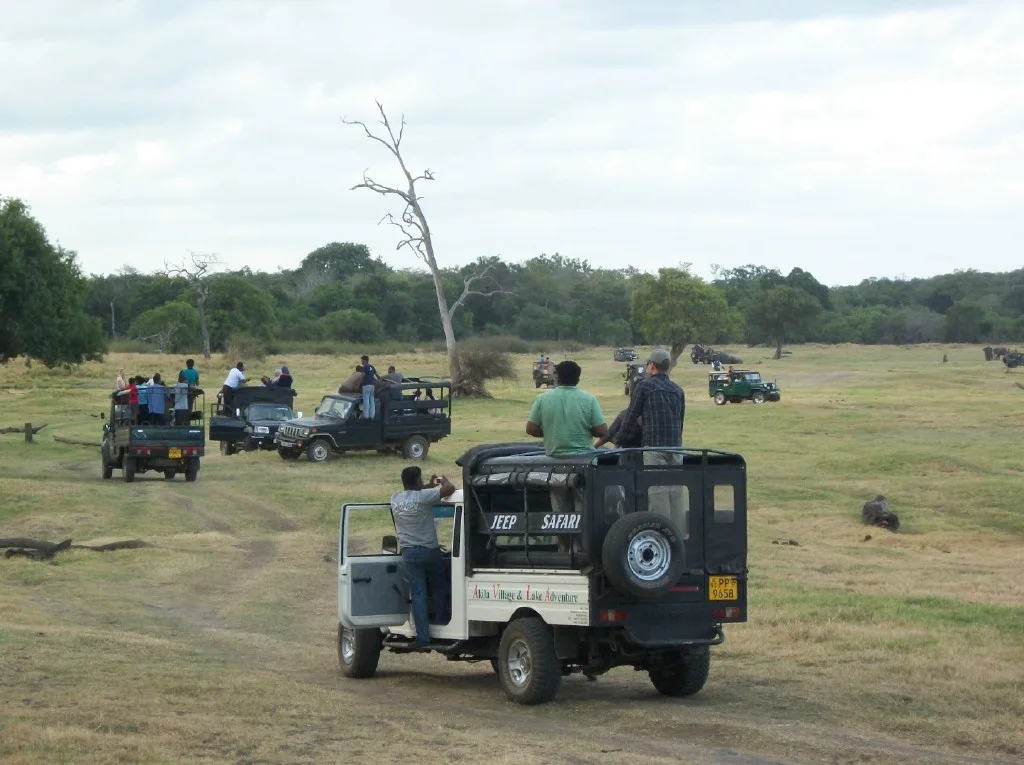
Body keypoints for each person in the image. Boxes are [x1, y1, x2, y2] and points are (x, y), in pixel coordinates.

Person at [526, 360, 607, 514]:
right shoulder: (589, 399)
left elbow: (531, 428)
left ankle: (564, 538)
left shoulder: (543, 399)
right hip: (584, 463)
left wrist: (551, 430)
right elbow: (602, 431)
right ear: (578, 379)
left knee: (560, 514)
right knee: (584, 513)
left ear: (557, 377)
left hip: (555, 463)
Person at [612, 349, 685, 519]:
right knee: (676, 494)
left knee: (658, 491)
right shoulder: (678, 390)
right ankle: (679, 533)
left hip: (655, 446)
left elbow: (630, 416)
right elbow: (679, 421)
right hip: (676, 448)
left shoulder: (645, 386)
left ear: (652, 366)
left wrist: (618, 440)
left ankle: (662, 532)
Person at [390, 467, 456, 648]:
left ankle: (423, 637)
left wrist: (427, 484)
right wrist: (443, 480)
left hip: (409, 553)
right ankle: (443, 621)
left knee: (418, 593)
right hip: (429, 551)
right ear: (418, 480)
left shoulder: (395, 499)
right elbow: (449, 489)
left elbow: (415, 493)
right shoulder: (423, 498)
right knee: (440, 586)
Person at [356, 355, 378, 419]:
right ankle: (372, 415)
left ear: (365, 360)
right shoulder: (371, 366)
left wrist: (358, 384)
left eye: (362, 360)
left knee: (366, 400)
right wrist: (380, 380)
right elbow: (376, 374)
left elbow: (362, 376)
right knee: (372, 400)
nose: (361, 362)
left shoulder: (365, 367)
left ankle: (366, 416)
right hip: (372, 385)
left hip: (366, 385)